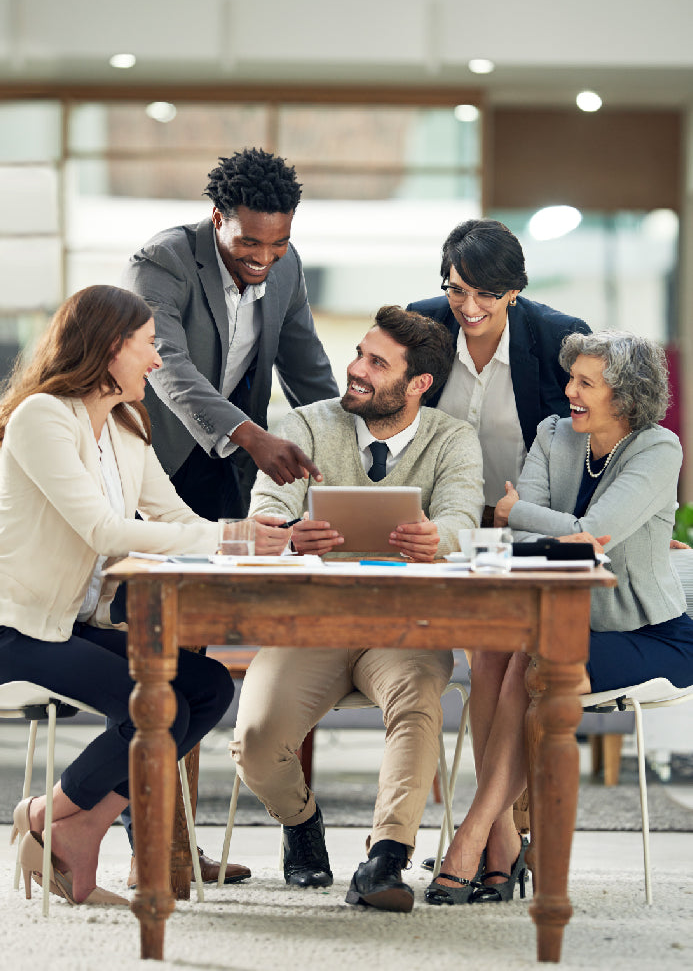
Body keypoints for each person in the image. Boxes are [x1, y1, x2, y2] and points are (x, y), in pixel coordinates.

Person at [0, 285, 287, 906]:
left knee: (207, 687)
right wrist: (227, 535)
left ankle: (78, 829)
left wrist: (257, 538)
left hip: (73, 621)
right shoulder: (42, 417)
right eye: (148, 345)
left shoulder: (126, 427)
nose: (158, 361)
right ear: (110, 349)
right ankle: (46, 816)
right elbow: (102, 529)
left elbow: (170, 517)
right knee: (155, 708)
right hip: (19, 624)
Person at [425, 329, 693, 908]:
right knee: (491, 648)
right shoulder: (553, 433)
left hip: (646, 635)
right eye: (572, 377)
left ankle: (473, 839)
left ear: (625, 396)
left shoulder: (657, 449)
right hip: (553, 620)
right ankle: (500, 842)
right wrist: (537, 523)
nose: (569, 390)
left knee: (532, 657)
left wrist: (516, 507)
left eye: (585, 383)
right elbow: (532, 538)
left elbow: (595, 533)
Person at [231, 305, 484, 913]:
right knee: (257, 742)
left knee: (418, 704)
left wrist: (437, 538)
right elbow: (265, 506)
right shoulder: (309, 425)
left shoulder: (453, 440)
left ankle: (386, 859)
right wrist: (290, 532)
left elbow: (462, 516)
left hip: (406, 627)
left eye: (376, 363)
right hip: (311, 623)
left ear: (418, 383)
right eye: (358, 355)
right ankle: (301, 821)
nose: (356, 370)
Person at [120, 146, 339, 522]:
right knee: (141, 572)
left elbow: (308, 370)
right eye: (250, 242)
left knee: (221, 568)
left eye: (279, 243)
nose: (265, 258)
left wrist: (346, 442)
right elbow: (166, 363)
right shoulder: (162, 261)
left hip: (228, 463)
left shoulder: (288, 270)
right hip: (156, 449)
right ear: (219, 219)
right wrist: (252, 436)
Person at [407, 218, 590, 523]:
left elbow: (602, 435)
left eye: (486, 294)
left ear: (514, 290)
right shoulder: (423, 322)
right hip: (432, 521)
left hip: (524, 523)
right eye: (457, 290)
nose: (469, 307)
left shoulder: (560, 339)